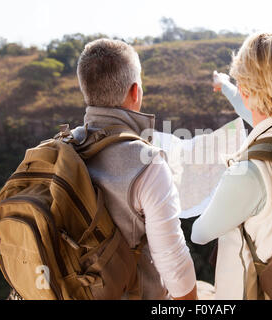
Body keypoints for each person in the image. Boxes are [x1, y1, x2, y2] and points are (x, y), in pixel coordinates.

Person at [191, 31, 272, 299]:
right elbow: (255, 111)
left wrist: (219, 183)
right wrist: (225, 85)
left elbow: (200, 233)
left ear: (248, 88)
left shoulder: (249, 172)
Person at [74, 38, 197, 300]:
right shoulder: (147, 163)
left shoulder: (62, 147)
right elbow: (172, 260)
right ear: (135, 92)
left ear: (86, 90)